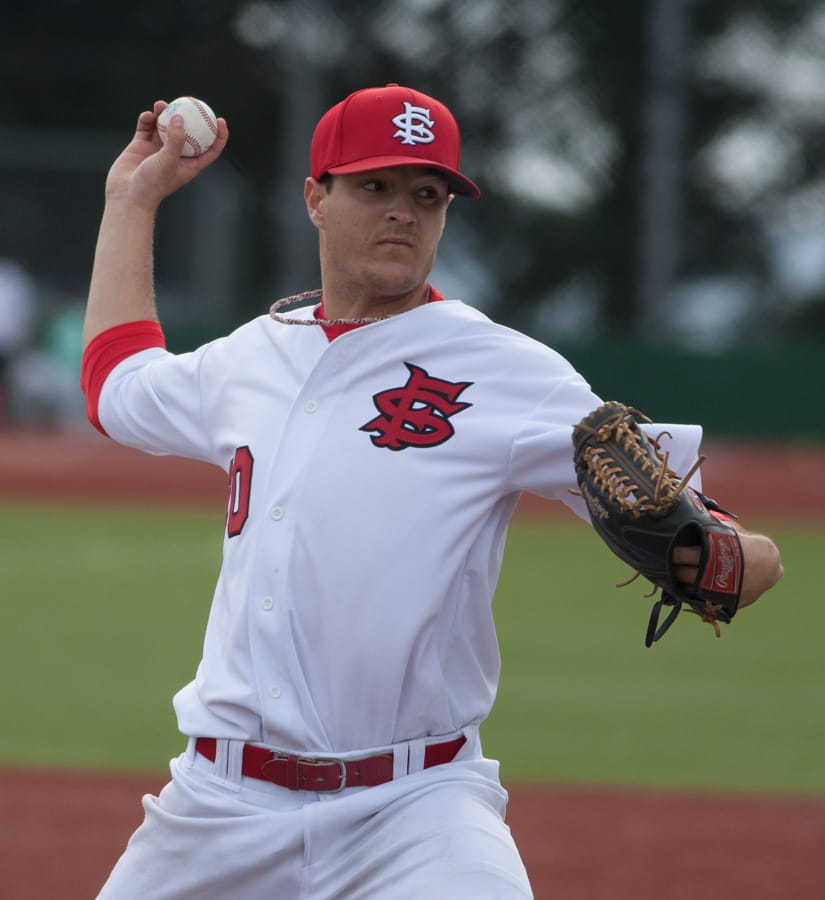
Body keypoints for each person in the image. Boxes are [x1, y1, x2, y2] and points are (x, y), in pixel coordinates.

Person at [81, 84, 783, 899]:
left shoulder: (509, 370)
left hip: (415, 809)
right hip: (219, 807)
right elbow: (115, 386)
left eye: (427, 194)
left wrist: (718, 558)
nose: (402, 214)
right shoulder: (253, 355)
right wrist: (131, 200)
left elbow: (736, 551)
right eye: (373, 187)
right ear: (316, 198)